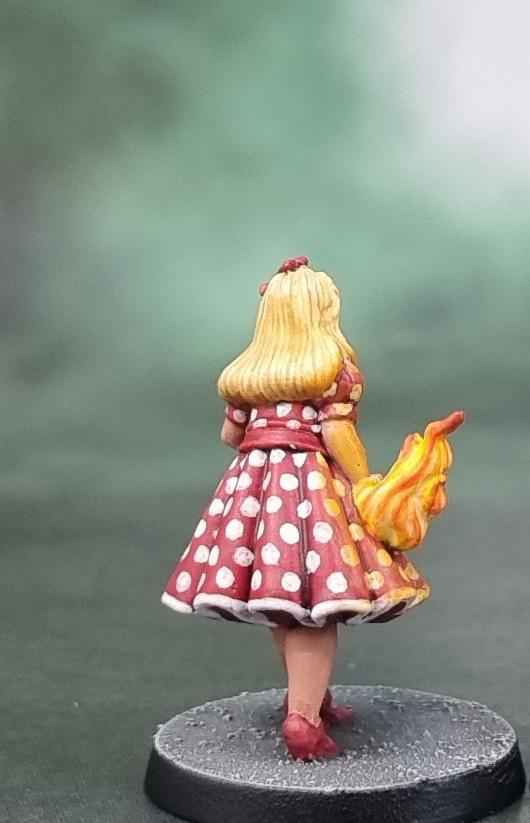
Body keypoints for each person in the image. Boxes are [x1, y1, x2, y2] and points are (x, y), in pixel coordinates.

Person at [162, 257, 462, 760]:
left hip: (254, 490)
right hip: (310, 487)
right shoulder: (332, 372)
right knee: (315, 607)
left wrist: (265, 446)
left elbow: (231, 435)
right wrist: (364, 482)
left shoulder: (249, 376)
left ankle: (309, 698)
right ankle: (302, 719)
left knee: (285, 601)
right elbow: (338, 434)